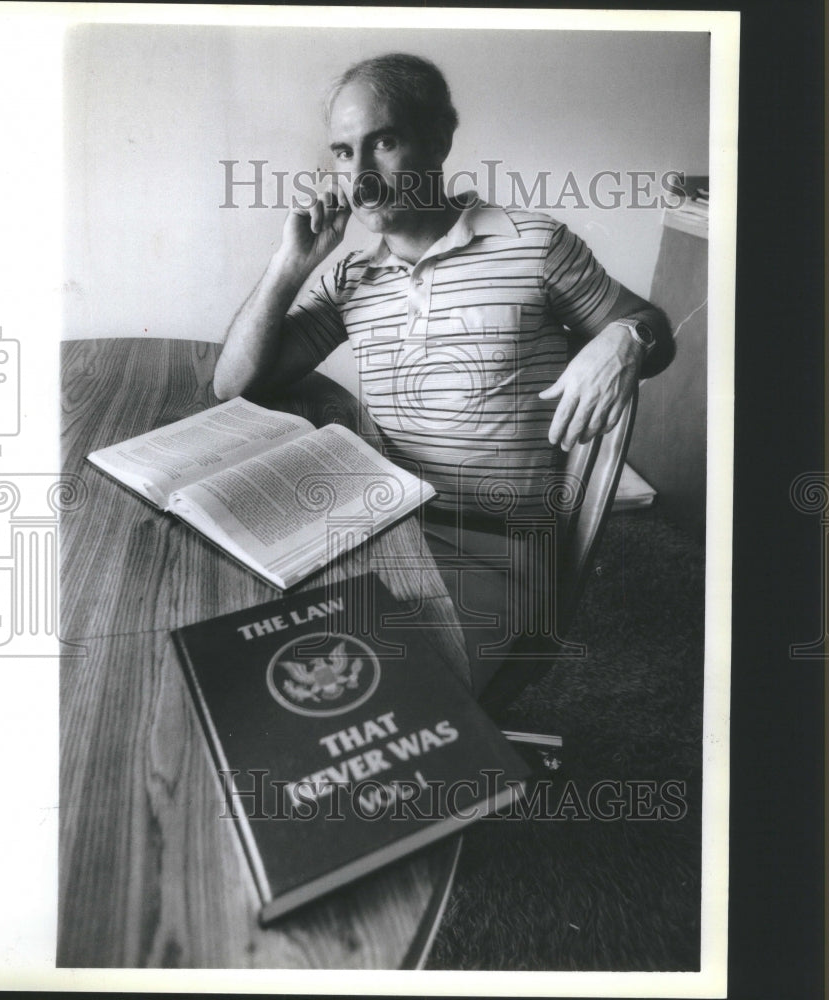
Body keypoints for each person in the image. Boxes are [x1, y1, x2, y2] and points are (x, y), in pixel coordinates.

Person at [214, 53, 673, 700]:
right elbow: (233, 386)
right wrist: (288, 266)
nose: (360, 176)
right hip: (379, 527)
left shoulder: (532, 243)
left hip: (495, 550)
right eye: (343, 153)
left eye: (384, 142)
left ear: (438, 139)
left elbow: (651, 327)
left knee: (354, 701)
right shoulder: (352, 279)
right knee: (236, 646)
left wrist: (626, 338)